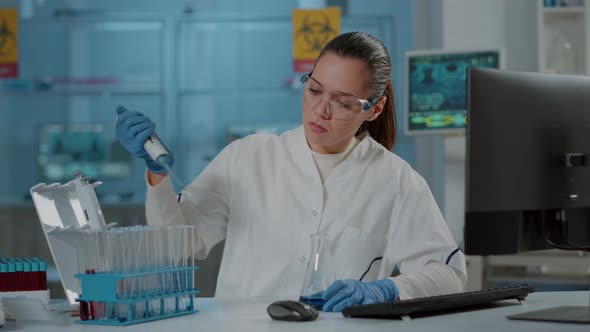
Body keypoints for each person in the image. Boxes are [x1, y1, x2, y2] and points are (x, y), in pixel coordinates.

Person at [116, 31, 466, 312]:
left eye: (344, 102)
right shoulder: (249, 156)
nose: (321, 110)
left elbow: (449, 274)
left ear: (374, 109)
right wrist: (157, 177)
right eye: (314, 90)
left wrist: (387, 288)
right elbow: (177, 245)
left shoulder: (396, 180)